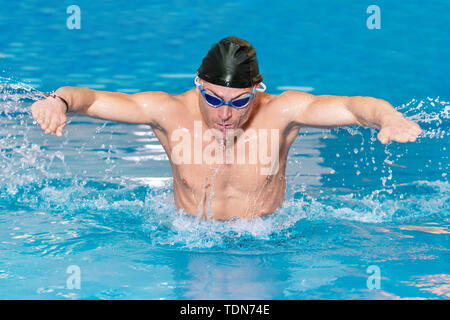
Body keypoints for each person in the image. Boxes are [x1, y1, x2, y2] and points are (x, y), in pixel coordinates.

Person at [30, 36, 422, 220]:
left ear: (258, 91)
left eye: (239, 102)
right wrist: (59, 101)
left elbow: (355, 107)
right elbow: (92, 98)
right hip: (186, 240)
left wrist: (386, 117)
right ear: (198, 85)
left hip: (268, 240)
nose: (225, 114)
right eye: (214, 99)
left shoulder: (282, 112)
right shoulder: (166, 110)